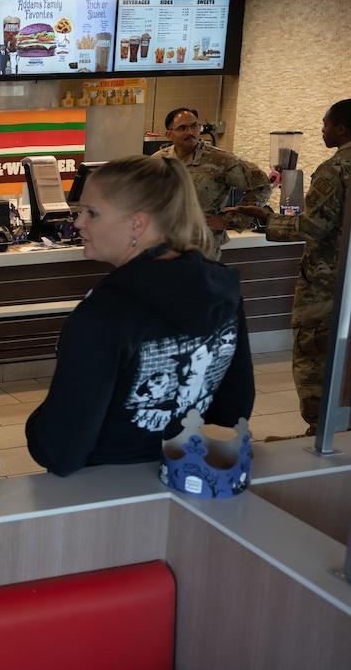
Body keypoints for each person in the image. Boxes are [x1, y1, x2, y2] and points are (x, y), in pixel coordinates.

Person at [26, 155, 256, 476]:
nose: (78, 223)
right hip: (179, 471)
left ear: (137, 223)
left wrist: (40, 418)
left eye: (91, 212)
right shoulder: (221, 288)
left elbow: (58, 452)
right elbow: (234, 406)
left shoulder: (103, 314)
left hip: (101, 491)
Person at [227, 99, 351, 438]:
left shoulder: (336, 168)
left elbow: (312, 227)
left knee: (316, 360)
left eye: (326, 124)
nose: (322, 130)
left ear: (341, 127)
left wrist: (268, 220)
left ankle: (320, 435)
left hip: (329, 288)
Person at [151, 108, 272, 258]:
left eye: (194, 126)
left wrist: (230, 221)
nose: (190, 132)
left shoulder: (221, 160)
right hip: (164, 244)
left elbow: (262, 186)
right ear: (169, 134)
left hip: (202, 247)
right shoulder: (158, 160)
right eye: (182, 128)